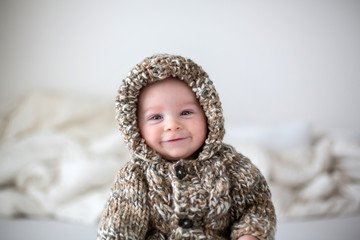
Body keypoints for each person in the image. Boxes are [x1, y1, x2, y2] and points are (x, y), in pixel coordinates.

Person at [97, 54, 276, 240]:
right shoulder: (135, 176)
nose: (172, 125)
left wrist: (249, 234)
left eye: (186, 112)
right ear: (135, 128)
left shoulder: (233, 166)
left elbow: (257, 207)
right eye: (156, 117)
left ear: (209, 115)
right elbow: (119, 226)